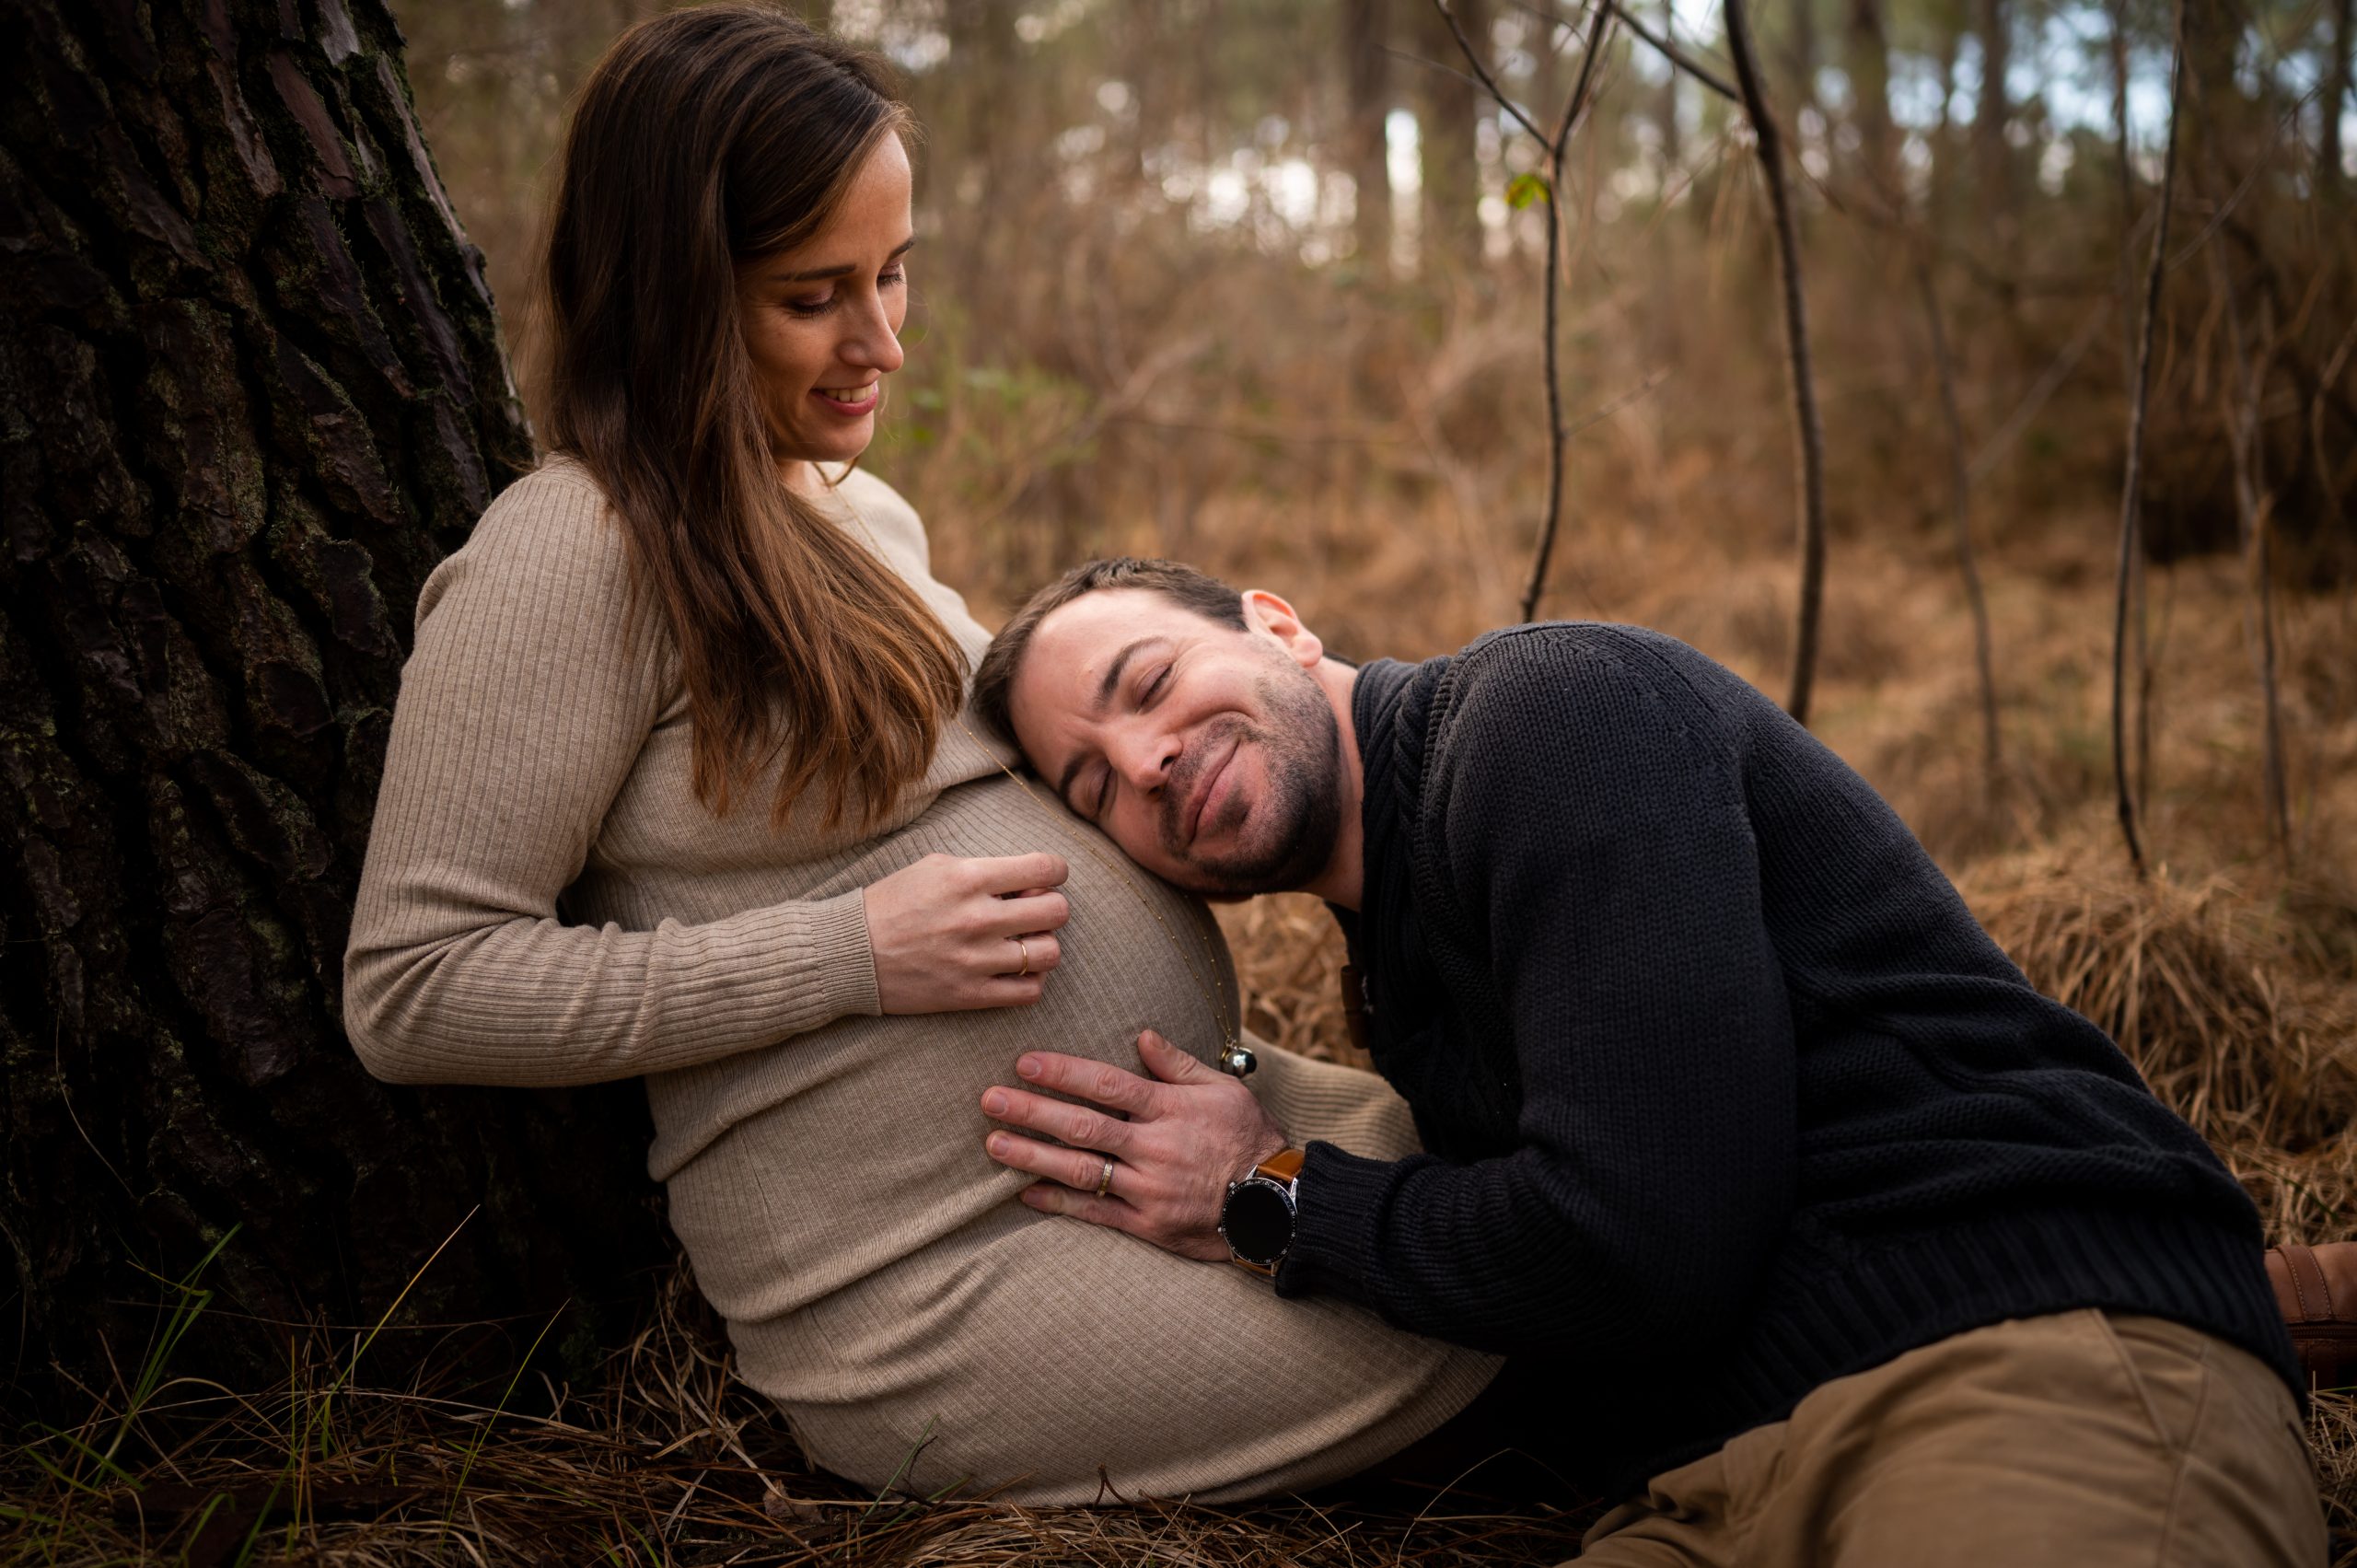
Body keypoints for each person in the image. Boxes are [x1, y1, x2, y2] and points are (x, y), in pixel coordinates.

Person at [343, 7, 1499, 1504]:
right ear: (678, 297)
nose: (882, 341)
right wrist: (845, 958)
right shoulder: (574, 556)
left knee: (1562, 1187)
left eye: (893, 274)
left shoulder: (854, 513)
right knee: (1487, 1319)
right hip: (944, 1277)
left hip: (1180, 1127)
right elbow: (414, 985)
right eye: (814, 296)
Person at [968, 557, 2328, 1566]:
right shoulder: (1396, 961)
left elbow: (1643, 1238)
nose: (1143, 760)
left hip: (2014, 1363)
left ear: (1276, 621)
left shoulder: (1552, 714)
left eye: (1145, 684)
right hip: (1710, 1486)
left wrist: (1266, 1192)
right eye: (1093, 789)